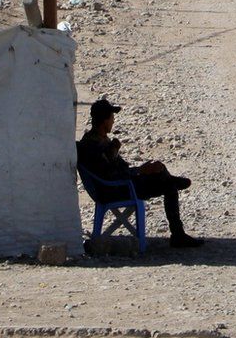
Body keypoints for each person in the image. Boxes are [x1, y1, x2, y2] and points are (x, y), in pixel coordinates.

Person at [76, 98, 201, 247]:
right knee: (168, 186)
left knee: (159, 169)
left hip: (117, 185)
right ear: (104, 121)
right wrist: (140, 170)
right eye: (112, 118)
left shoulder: (97, 140)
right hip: (116, 189)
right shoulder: (94, 145)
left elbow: (114, 169)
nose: (113, 121)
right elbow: (112, 174)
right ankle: (178, 234)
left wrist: (138, 168)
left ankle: (169, 180)